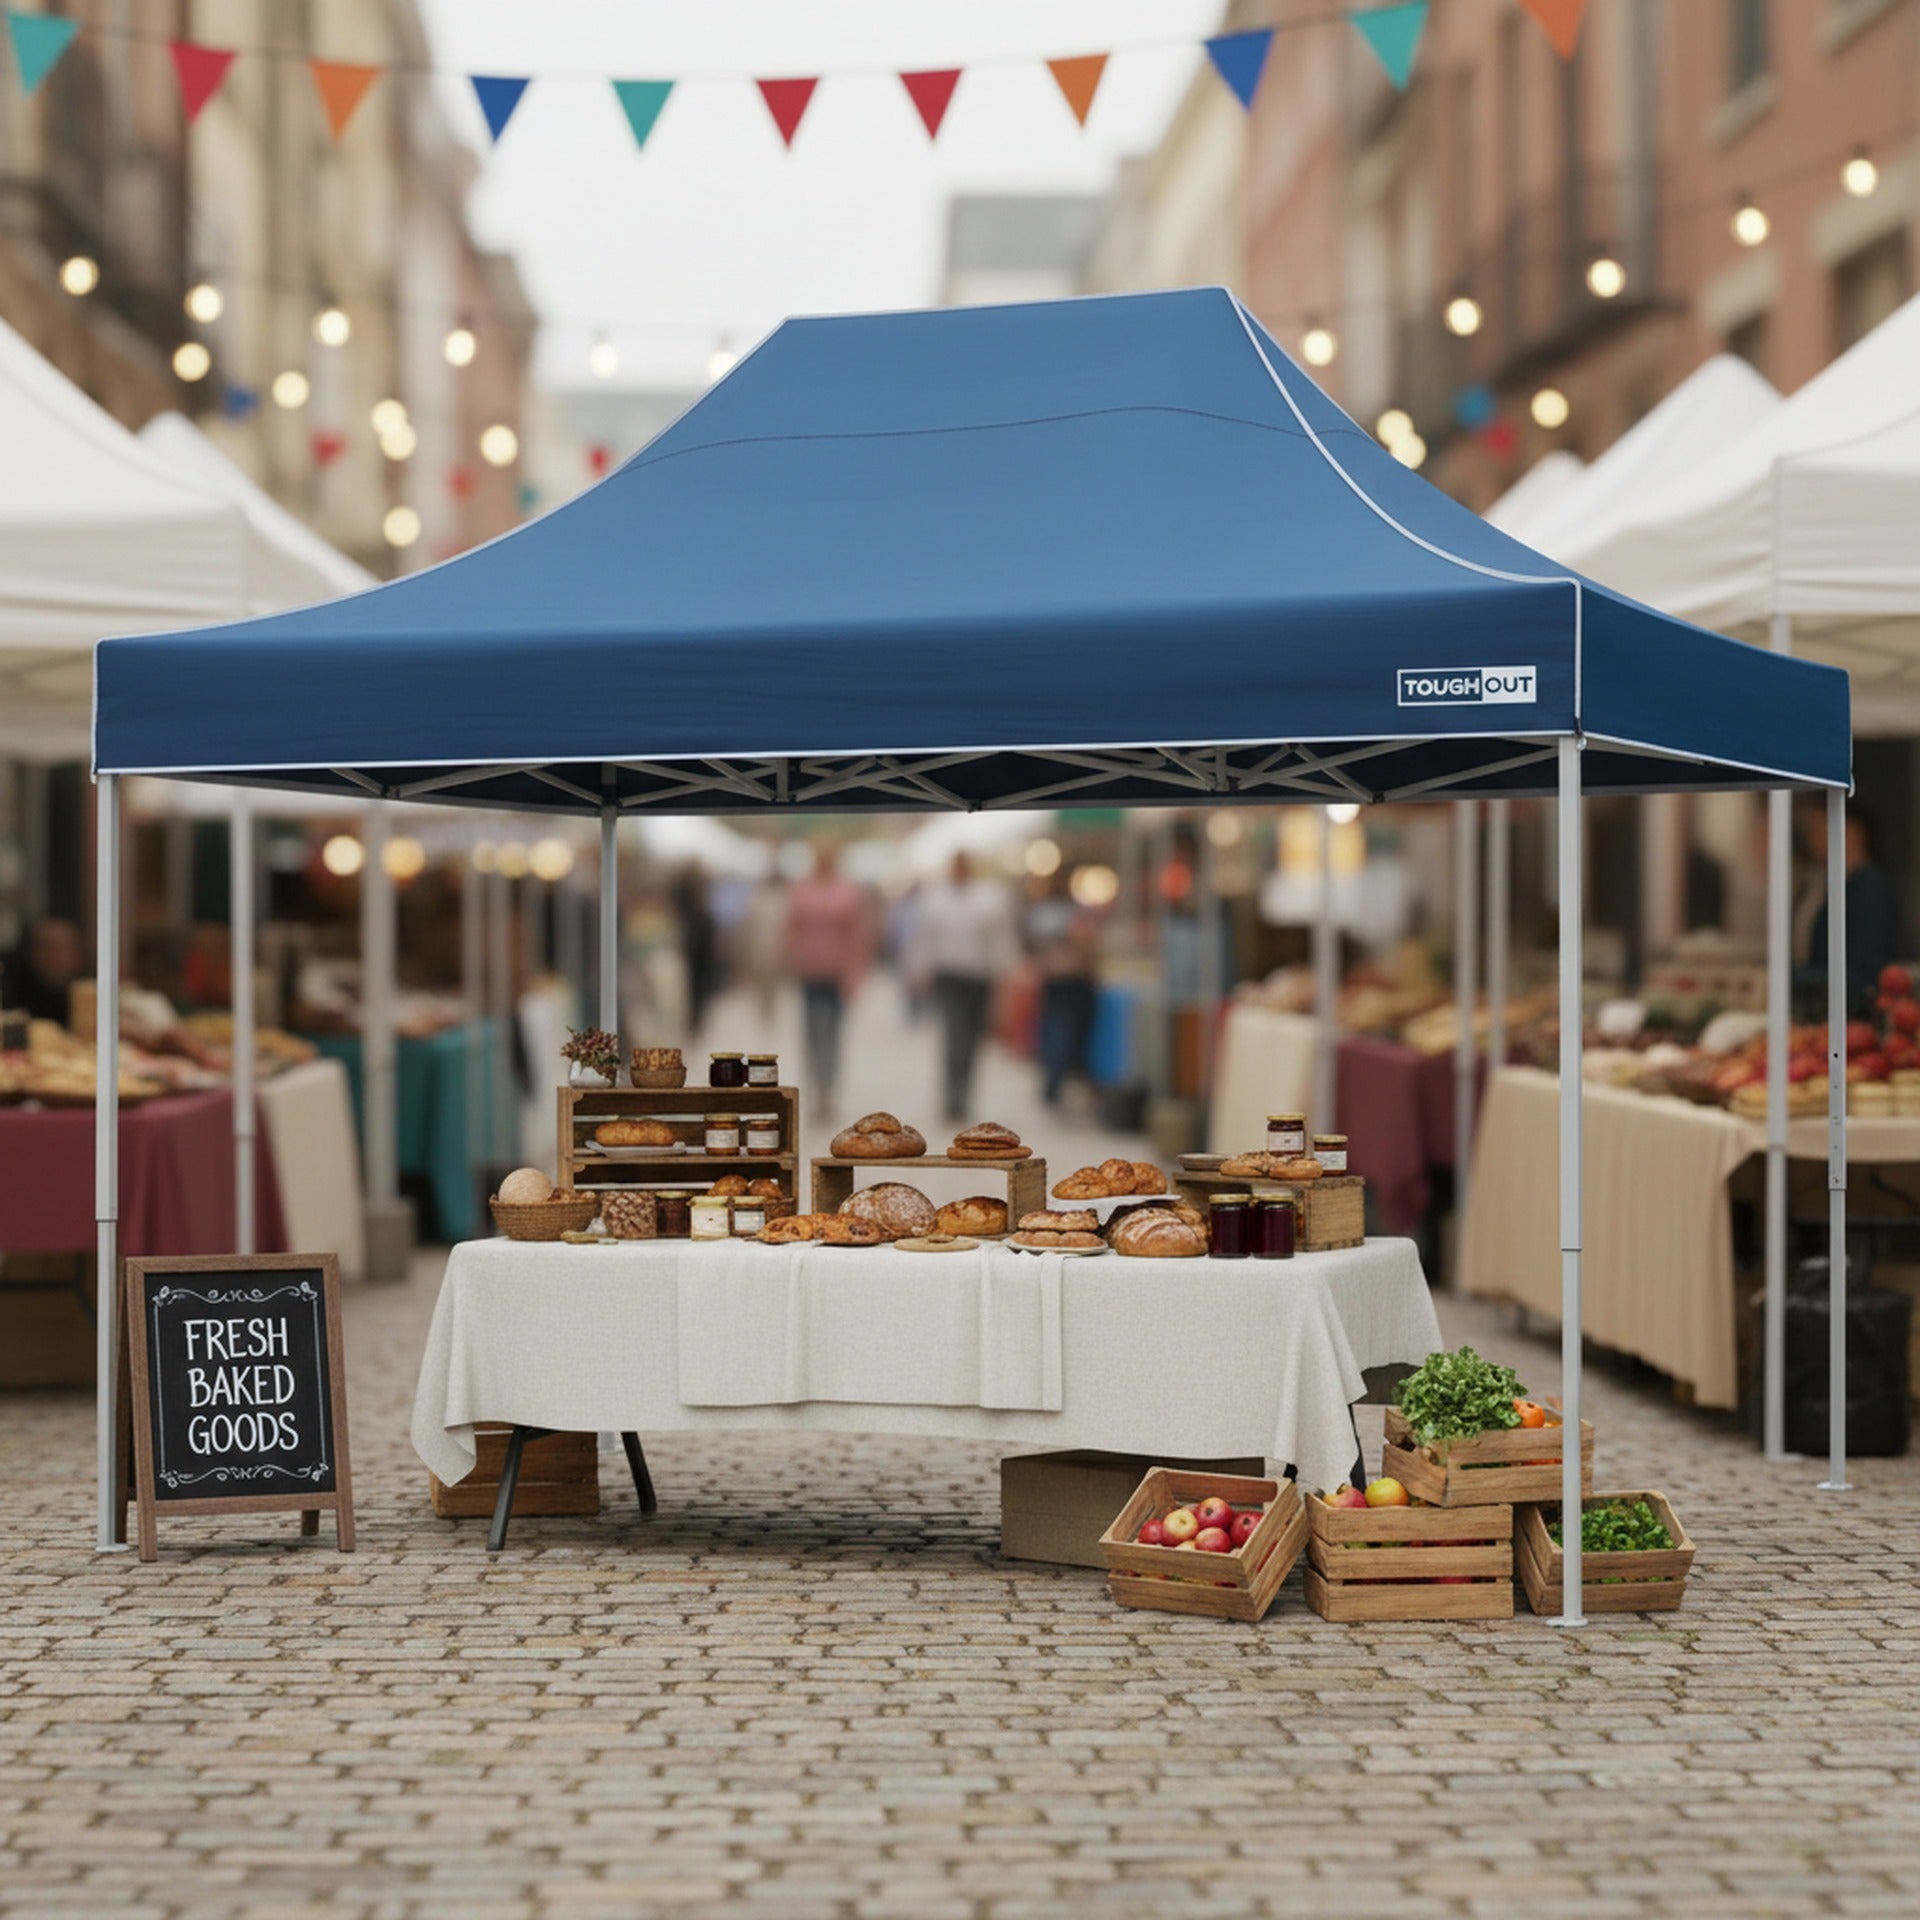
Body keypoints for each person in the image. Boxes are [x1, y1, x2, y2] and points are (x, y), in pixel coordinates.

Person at [910, 853, 1019, 1122]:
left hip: (978, 977)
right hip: (949, 976)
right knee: (954, 1037)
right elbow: (925, 939)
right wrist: (920, 970)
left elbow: (1000, 941)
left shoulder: (989, 900)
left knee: (972, 1040)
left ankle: (964, 1094)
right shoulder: (936, 900)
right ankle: (951, 1096)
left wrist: (1006, 974)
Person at [782, 844, 870, 1111]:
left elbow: (856, 937)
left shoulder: (847, 892)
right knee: (811, 1035)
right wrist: (790, 960)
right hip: (809, 973)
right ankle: (815, 1085)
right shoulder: (801, 889)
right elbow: (790, 929)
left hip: (836, 974)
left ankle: (827, 1090)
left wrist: (854, 975)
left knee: (832, 1035)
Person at [1801, 804, 1901, 1015]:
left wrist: (1790, 978)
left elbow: (1863, 970)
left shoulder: (1870, 888)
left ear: (1852, 831)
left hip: (1855, 1011)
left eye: (1820, 829)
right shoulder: (1824, 884)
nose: (1813, 839)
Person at [1025, 871, 1100, 1107]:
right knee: (1063, 1030)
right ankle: (1055, 1080)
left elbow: (1031, 943)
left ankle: (1052, 1080)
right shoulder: (1072, 913)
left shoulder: (1042, 912)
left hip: (1052, 976)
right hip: (1070, 977)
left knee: (1053, 1027)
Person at [4, 916, 84, 1023]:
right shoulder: (13, 993)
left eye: (66, 948)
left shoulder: (85, 997)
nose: (58, 955)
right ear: (32, 953)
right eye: (49, 948)